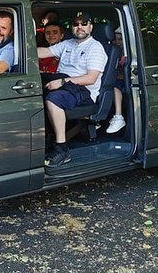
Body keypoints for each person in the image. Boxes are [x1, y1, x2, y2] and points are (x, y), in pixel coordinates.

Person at [37, 12, 107, 166]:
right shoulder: (67, 43)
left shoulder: (96, 48)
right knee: (33, 88)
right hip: (63, 82)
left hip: (84, 90)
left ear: (90, 26)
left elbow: (90, 78)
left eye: (83, 23)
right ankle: (43, 141)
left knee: (53, 99)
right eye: (76, 24)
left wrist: (62, 82)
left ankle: (62, 149)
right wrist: (22, 50)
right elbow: (44, 52)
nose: (79, 27)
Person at [106, 27, 126, 133]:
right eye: (116, 39)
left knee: (113, 86)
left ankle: (119, 116)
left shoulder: (126, 55)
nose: (117, 42)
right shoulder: (112, 51)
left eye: (120, 39)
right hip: (114, 78)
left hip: (123, 81)